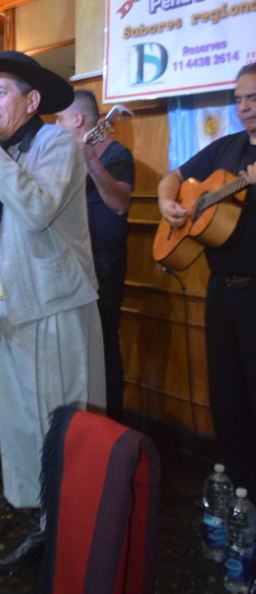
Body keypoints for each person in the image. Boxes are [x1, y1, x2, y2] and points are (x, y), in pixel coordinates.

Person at [0, 50, 104, 571]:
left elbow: (36, 209)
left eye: (0, 93)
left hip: (56, 307)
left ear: (32, 101)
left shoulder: (57, 143)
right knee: (20, 427)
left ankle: (73, 529)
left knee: (61, 425)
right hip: (9, 308)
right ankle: (42, 521)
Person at [158, 63, 256, 496]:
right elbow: (174, 177)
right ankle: (239, 491)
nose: (245, 107)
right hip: (220, 292)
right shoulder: (226, 147)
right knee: (227, 396)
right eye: (239, 99)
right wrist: (166, 203)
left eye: (253, 98)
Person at [56, 90, 135, 424]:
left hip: (103, 263)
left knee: (104, 346)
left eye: (59, 118)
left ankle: (111, 428)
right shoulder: (60, 155)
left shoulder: (117, 153)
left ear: (77, 119)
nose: (55, 124)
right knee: (74, 348)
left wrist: (90, 159)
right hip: (68, 261)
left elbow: (119, 204)